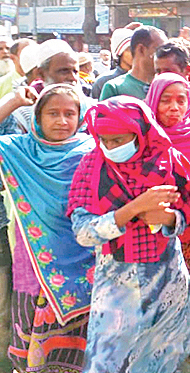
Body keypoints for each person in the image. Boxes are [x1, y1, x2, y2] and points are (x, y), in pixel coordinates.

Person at [67, 96, 190, 372]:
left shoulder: (169, 162)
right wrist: (133, 209)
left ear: (140, 133)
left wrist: (169, 219)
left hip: (166, 280)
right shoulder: (91, 168)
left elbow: (188, 213)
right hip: (116, 284)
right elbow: (83, 232)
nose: (110, 147)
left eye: (119, 140)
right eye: (105, 140)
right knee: (109, 359)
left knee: (163, 355)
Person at [0, 85, 94, 372]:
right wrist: (14, 101)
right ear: (37, 118)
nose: (62, 121)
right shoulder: (20, 150)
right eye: (53, 113)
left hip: (86, 259)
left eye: (70, 114)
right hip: (35, 259)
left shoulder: (91, 150)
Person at [143, 74, 190, 373]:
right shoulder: (144, 138)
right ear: (153, 102)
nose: (174, 107)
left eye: (181, 100)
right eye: (165, 100)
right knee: (160, 293)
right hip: (155, 231)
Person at [100, 26, 167, 101]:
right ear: (141, 49)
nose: (164, 56)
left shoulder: (167, 86)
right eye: (159, 50)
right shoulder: (115, 88)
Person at [91, 26, 135, 99]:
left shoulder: (145, 80)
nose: (135, 53)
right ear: (119, 52)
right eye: (129, 49)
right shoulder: (103, 81)